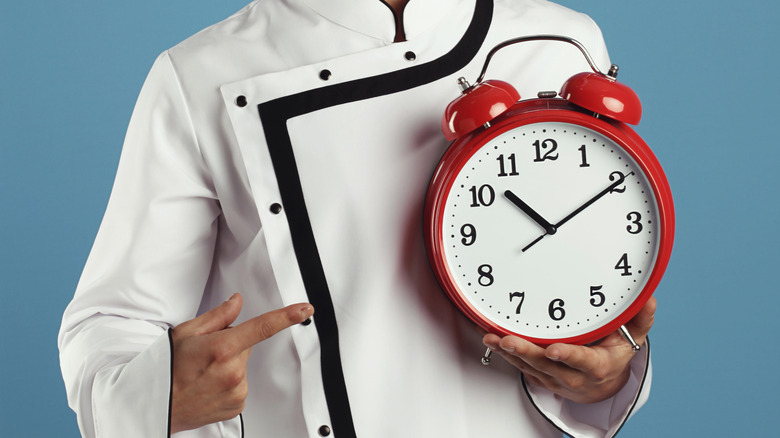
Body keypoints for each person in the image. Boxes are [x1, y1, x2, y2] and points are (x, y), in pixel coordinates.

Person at [58, 0, 657, 437]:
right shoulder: (201, 73)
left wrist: (605, 377)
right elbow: (112, 320)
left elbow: (593, 272)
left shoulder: (562, 41)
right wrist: (156, 395)